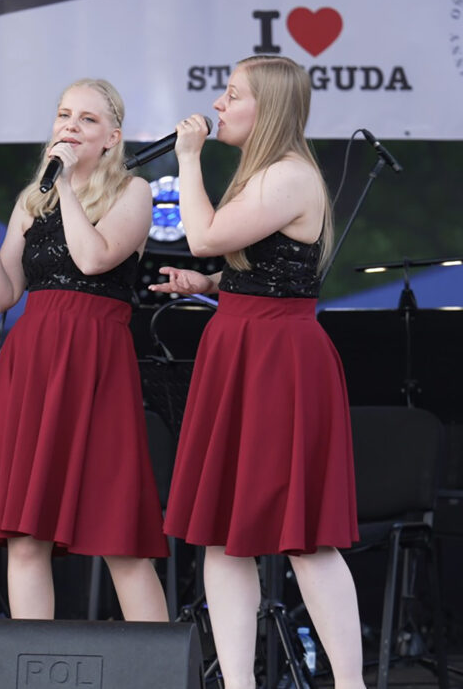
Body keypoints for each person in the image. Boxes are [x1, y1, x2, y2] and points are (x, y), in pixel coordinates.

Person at [155, 55, 363, 689]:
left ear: (267, 108)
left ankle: (350, 684)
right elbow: (268, 266)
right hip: (241, 344)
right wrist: (214, 284)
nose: (218, 105)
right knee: (220, 531)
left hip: (277, 358)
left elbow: (203, 233)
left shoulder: (290, 175)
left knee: (305, 537)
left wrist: (188, 158)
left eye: (232, 94)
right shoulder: (265, 175)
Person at [0, 79, 169, 622]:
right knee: (26, 535)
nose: (70, 127)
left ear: (112, 138)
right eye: (63, 116)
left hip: (95, 359)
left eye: (86, 120)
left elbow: (94, 259)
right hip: (33, 360)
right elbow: (1, 296)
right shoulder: (33, 200)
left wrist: (70, 189)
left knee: (118, 534)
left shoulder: (134, 191)